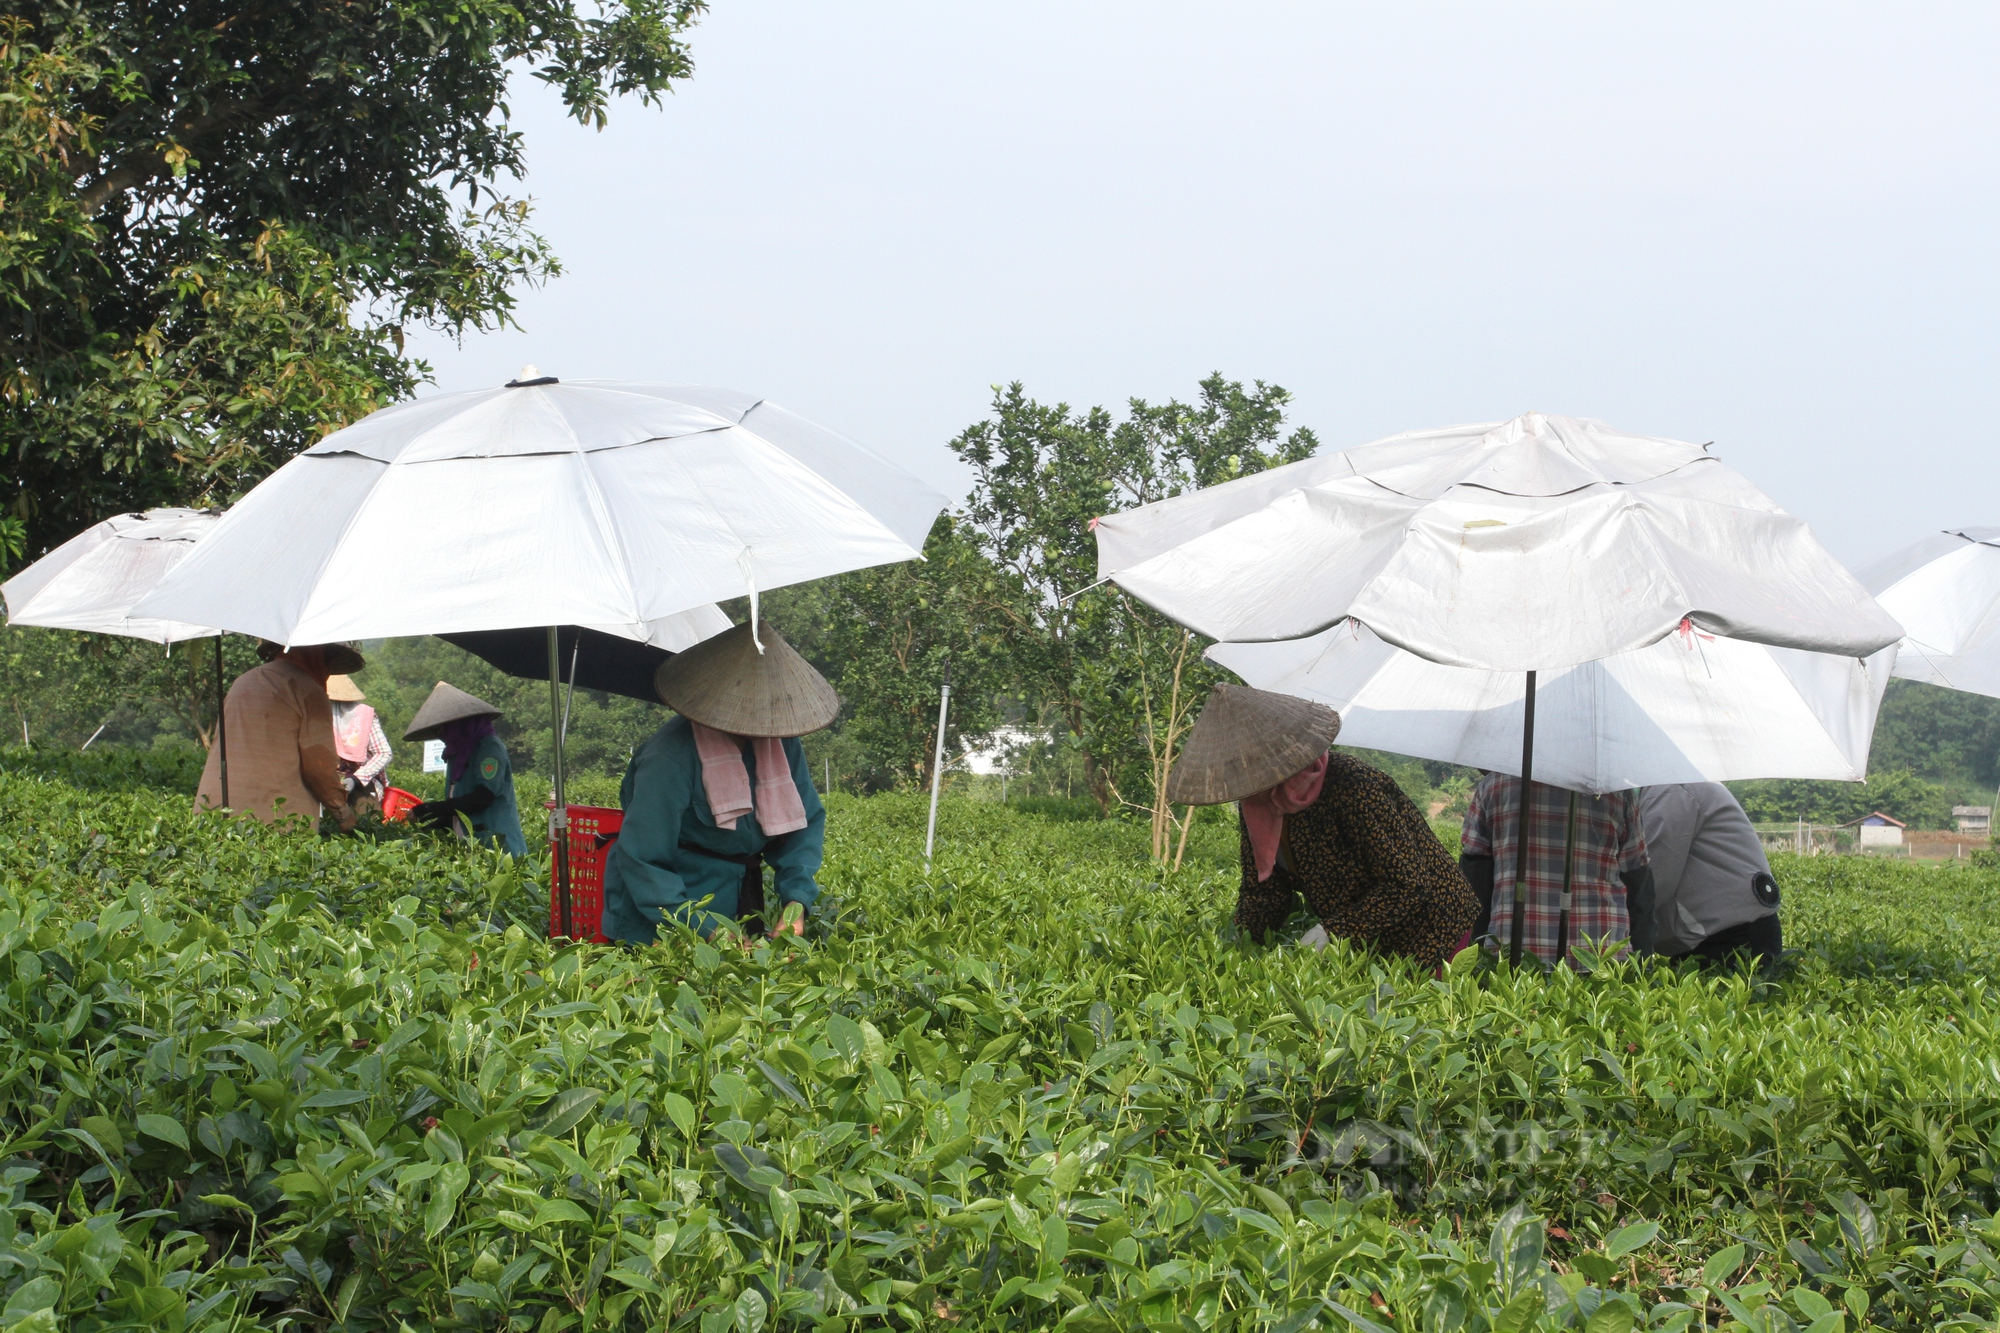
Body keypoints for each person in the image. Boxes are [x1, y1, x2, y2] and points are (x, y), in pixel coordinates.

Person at [1167, 683, 1478, 971]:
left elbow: (1408, 883)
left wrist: (1332, 931)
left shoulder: (1354, 786)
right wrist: (1239, 946)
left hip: (1432, 926)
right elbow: (1265, 890)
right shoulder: (1257, 802)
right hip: (1363, 937)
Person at [601, 621, 832, 947]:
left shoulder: (780, 744)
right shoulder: (669, 757)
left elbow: (801, 828)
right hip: (662, 916)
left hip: (737, 901)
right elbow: (643, 861)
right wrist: (709, 932)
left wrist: (795, 903)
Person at [1460, 772, 1653, 968]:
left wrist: (1478, 951)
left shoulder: (1493, 786)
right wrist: (1644, 961)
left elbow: (1475, 876)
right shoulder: (1615, 790)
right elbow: (1637, 877)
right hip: (1600, 954)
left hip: (1513, 952)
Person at [196, 642, 363, 831]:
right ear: (320, 657)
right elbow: (318, 769)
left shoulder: (242, 681)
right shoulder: (308, 690)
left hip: (213, 814)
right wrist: (344, 816)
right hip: (272, 823)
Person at [1639, 782, 1783, 969]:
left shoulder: (1672, 788)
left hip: (1730, 939)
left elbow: (1653, 879)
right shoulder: (1679, 785)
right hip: (1729, 934)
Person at [402, 682, 527, 856]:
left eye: (443, 728)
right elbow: (459, 809)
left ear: (459, 725)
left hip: (497, 849)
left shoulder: (488, 748)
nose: (441, 734)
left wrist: (431, 809)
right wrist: (428, 828)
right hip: (471, 848)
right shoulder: (457, 753)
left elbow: (482, 798)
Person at [327, 674, 392, 811]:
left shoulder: (363, 716)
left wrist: (355, 779)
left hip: (362, 781)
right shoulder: (319, 716)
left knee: (365, 824)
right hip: (330, 780)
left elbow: (384, 753)